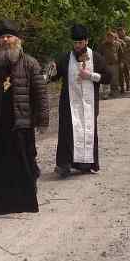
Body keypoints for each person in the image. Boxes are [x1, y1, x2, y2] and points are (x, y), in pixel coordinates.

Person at [0, 23, 49, 214]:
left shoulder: (30, 63)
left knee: (25, 165)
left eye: (10, 36)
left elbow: (40, 94)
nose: (6, 40)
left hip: (21, 124)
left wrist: (42, 120)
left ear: (18, 40)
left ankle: (25, 203)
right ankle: (3, 204)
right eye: (3, 37)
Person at [50, 24, 111, 176]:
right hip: (69, 105)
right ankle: (64, 165)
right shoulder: (65, 58)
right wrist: (50, 72)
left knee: (88, 132)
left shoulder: (96, 57)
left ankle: (86, 164)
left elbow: (108, 77)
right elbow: (53, 76)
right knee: (67, 134)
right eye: (75, 43)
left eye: (80, 43)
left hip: (89, 105)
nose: (77, 46)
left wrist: (91, 76)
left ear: (86, 41)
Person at [98, 30, 122, 99]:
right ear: (106, 37)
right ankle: (105, 93)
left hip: (115, 64)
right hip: (106, 65)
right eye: (108, 37)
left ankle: (115, 92)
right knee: (105, 79)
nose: (110, 38)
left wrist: (121, 62)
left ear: (114, 37)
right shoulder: (102, 45)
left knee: (115, 79)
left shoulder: (118, 44)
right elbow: (99, 54)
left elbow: (121, 54)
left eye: (112, 37)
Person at [116, 27, 130, 93]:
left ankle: (128, 86)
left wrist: (121, 41)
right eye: (119, 32)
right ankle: (122, 87)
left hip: (127, 59)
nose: (120, 33)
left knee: (127, 74)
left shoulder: (128, 39)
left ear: (124, 31)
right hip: (120, 60)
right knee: (120, 75)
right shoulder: (116, 40)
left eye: (122, 31)